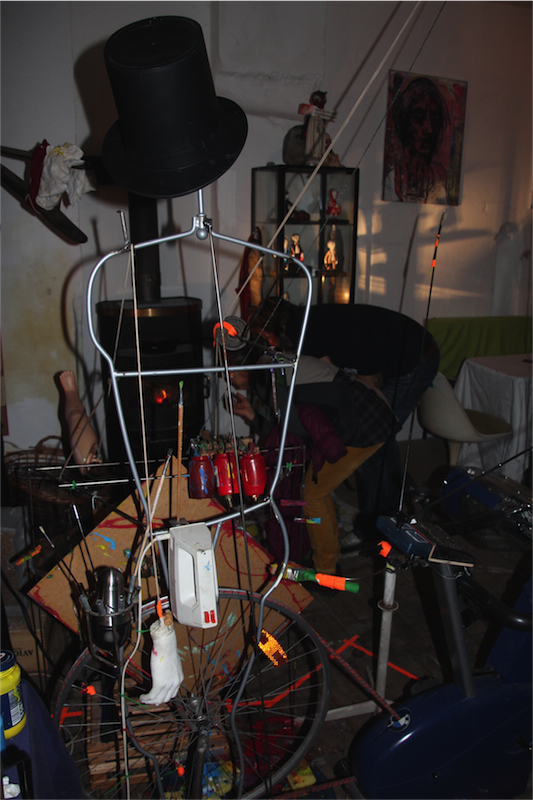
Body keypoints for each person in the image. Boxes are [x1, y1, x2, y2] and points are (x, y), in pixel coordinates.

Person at [247, 299, 440, 544]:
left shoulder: (302, 329)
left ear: (278, 328)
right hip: (409, 347)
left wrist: (377, 408)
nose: (270, 343)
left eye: (267, 336)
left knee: (375, 443)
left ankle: (378, 526)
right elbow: (357, 370)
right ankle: (385, 514)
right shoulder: (307, 321)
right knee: (379, 438)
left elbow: (336, 382)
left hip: (416, 356)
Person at [230, 347, 398, 574]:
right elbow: (292, 428)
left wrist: (257, 419)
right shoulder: (273, 361)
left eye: (229, 373)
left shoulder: (266, 376)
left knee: (312, 497)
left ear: (242, 368)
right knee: (316, 493)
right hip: (367, 412)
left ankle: (326, 571)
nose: (229, 380)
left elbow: (295, 431)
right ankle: (328, 560)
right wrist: (251, 414)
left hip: (363, 426)